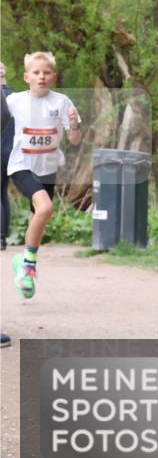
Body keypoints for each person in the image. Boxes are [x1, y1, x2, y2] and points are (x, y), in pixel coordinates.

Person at [6, 51, 83, 299]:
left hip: (48, 167)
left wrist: (74, 125)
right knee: (45, 208)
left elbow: (74, 140)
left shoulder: (61, 102)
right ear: (26, 76)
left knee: (36, 217)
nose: (41, 77)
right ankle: (29, 265)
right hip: (21, 164)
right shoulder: (14, 101)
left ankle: (22, 262)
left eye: (46, 73)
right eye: (36, 73)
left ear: (54, 77)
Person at [1, 62, 14, 251]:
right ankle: (3, 237)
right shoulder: (15, 96)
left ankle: (1, 238)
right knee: (3, 193)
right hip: (10, 151)